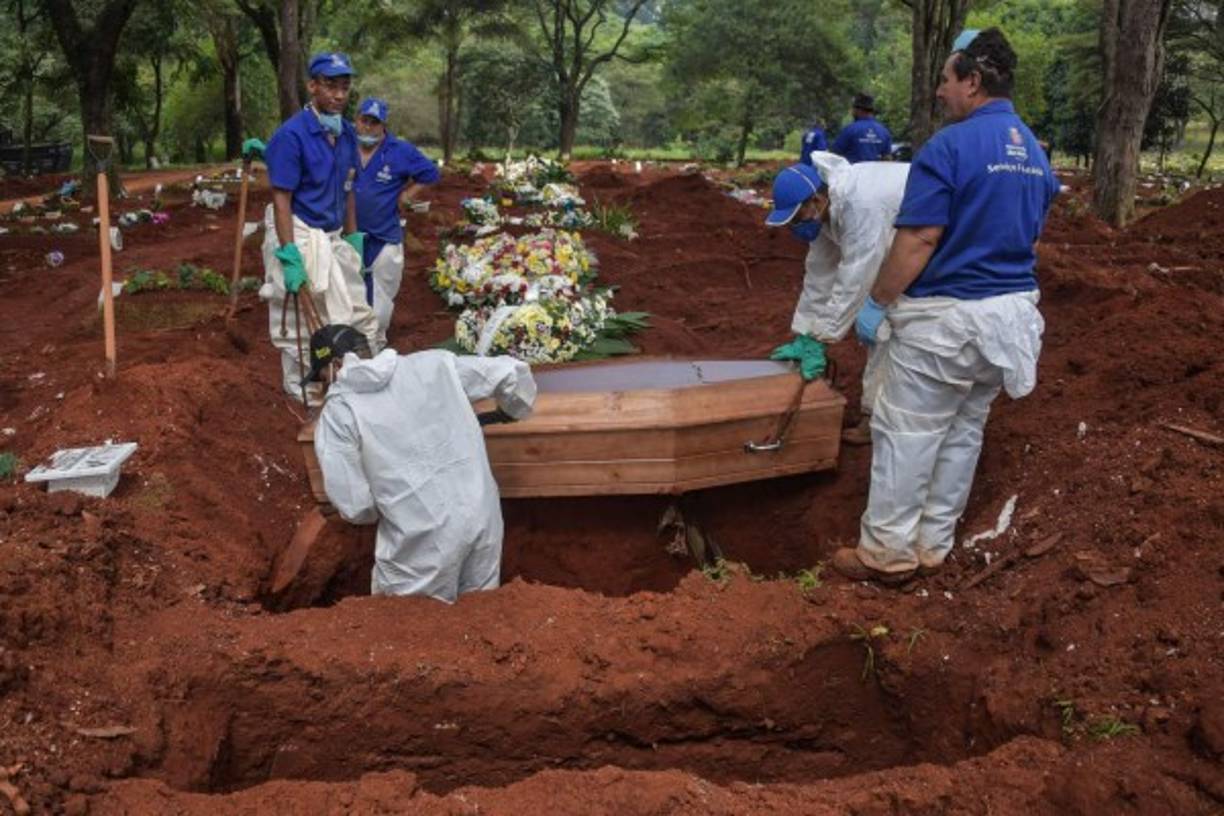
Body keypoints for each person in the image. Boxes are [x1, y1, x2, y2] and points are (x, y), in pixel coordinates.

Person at [832, 28, 1060, 584]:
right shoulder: (1033, 151)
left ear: (972, 82)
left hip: (944, 324)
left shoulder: (949, 147)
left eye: (945, 80)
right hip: (1006, 321)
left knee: (908, 432)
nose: (940, 92)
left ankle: (887, 555)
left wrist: (878, 302)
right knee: (963, 432)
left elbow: (919, 238)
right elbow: (1029, 239)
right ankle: (934, 544)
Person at [309, 324, 538, 603]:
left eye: (321, 376)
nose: (323, 385)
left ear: (334, 365)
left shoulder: (339, 412)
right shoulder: (433, 364)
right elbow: (511, 372)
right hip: (481, 516)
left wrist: (382, 507)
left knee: (415, 634)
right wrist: (513, 409)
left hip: (419, 543)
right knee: (480, 618)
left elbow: (356, 506)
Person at [764, 154, 910, 443]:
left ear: (816, 201)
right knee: (881, 317)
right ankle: (875, 414)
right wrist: (805, 333)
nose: (795, 227)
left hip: (931, 237)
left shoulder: (860, 204)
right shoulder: (824, 213)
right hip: (889, 238)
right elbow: (819, 275)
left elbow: (856, 277)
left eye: (796, 217)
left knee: (890, 320)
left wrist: (824, 337)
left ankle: (877, 419)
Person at [260, 52, 378, 404]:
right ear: (313, 87)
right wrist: (289, 256)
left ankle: (347, 386)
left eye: (344, 87)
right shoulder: (291, 136)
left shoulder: (345, 136)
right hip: (300, 233)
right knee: (302, 319)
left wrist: (353, 240)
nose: (339, 95)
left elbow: (349, 190)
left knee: (354, 313)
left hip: (333, 236)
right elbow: (282, 200)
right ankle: (305, 393)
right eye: (330, 86)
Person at [353, 97, 441, 349]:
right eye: (364, 120)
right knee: (349, 295)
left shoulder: (400, 150)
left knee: (380, 298)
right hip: (348, 236)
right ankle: (351, 346)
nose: (368, 127)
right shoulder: (344, 146)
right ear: (356, 121)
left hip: (384, 236)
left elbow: (430, 173)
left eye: (374, 123)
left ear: (383, 126)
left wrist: (407, 194)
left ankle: (375, 345)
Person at [831, 93, 892, 164]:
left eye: (853, 109)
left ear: (858, 110)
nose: (852, 112)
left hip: (852, 174)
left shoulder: (850, 130)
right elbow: (887, 159)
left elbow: (834, 155)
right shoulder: (884, 131)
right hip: (875, 174)